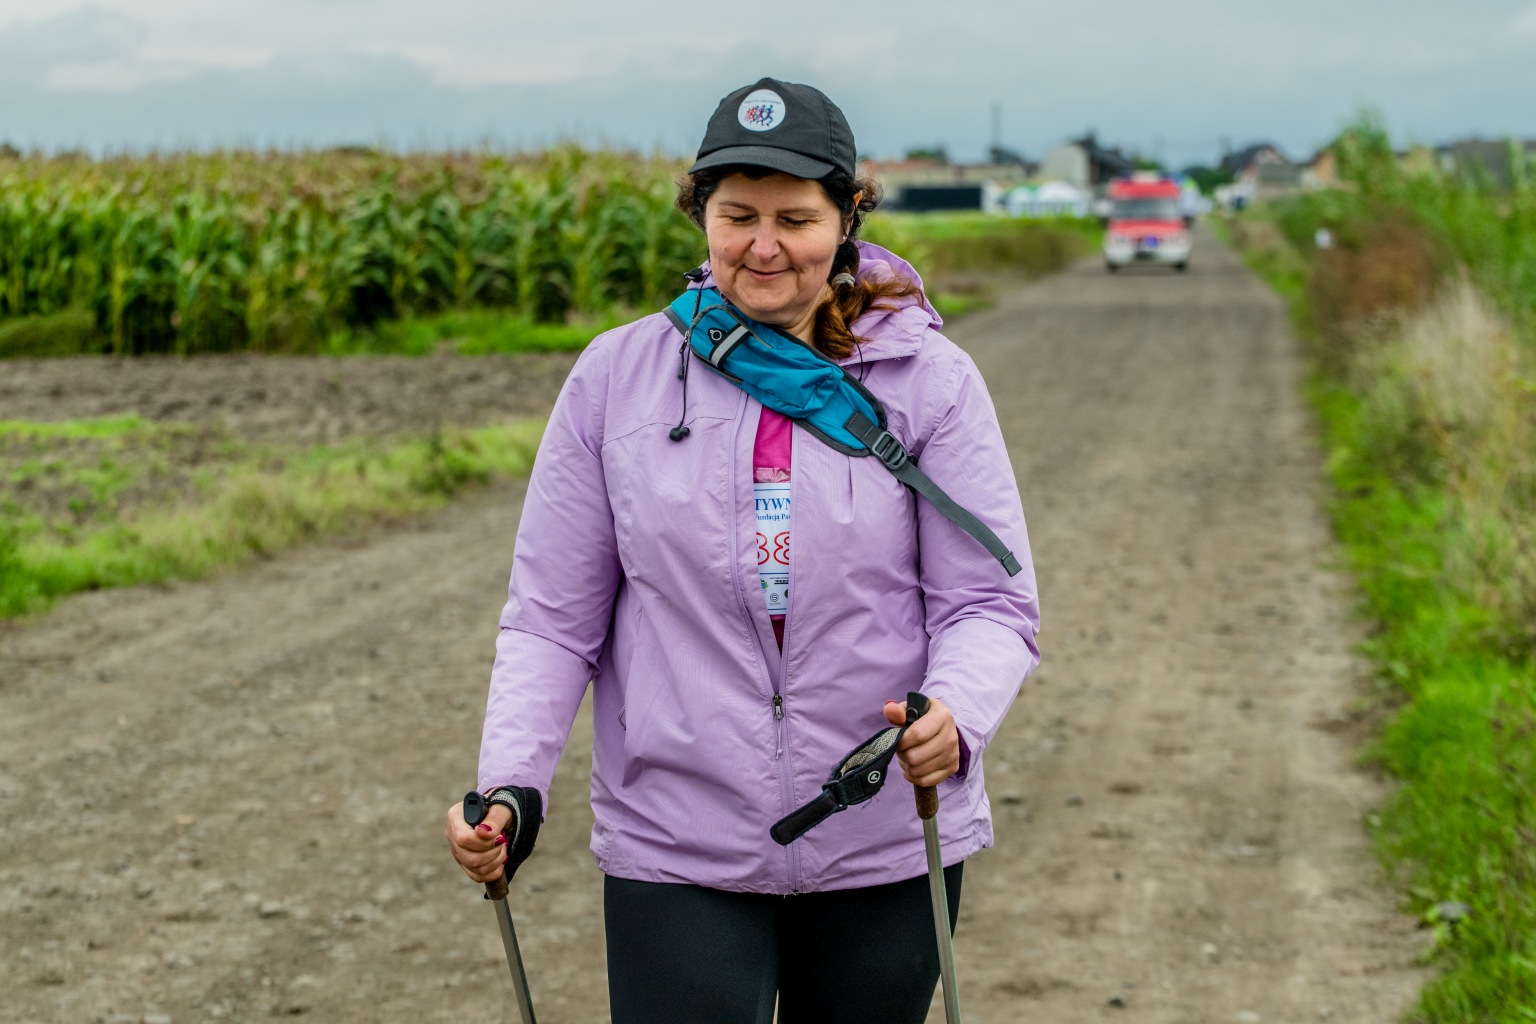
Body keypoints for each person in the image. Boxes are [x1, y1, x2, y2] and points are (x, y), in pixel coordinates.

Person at [446, 77, 1040, 1024]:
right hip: (679, 842)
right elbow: (552, 620)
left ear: (847, 217)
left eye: (796, 219)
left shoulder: (931, 382)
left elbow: (989, 603)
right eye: (738, 217)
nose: (765, 247)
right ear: (702, 216)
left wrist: (956, 716)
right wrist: (511, 783)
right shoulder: (615, 379)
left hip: (882, 833)